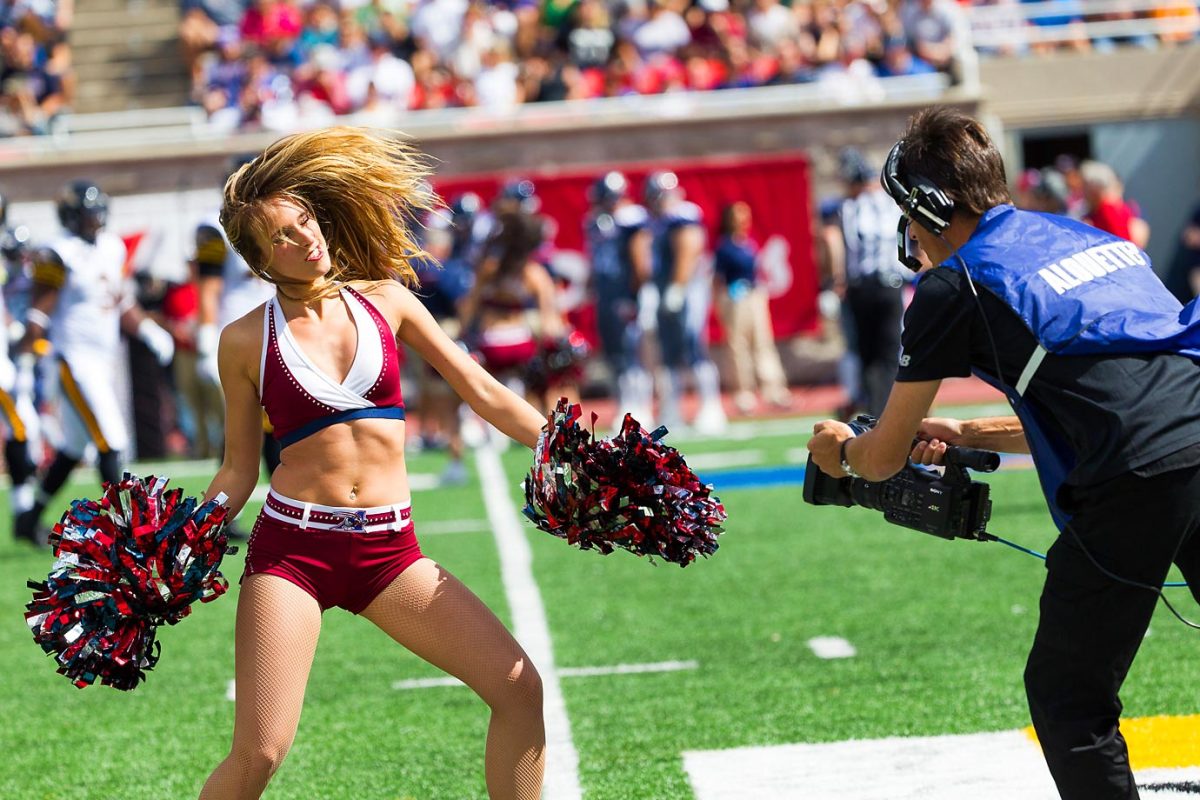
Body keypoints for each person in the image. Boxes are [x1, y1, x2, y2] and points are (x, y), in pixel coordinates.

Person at [807, 106, 1200, 800]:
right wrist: (970, 433)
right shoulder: (1079, 234)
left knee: (1067, 696)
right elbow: (1126, 396)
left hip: (1136, 474)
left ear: (929, 206)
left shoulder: (953, 284)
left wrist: (839, 451)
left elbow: (883, 458)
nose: (911, 236)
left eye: (910, 216)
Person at [197, 127, 546, 799]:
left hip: (390, 553)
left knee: (518, 688)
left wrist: (569, 449)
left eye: (305, 220)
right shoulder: (243, 340)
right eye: (282, 237)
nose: (306, 239)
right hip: (293, 552)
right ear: (260, 260)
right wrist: (180, 537)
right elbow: (238, 470)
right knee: (260, 751)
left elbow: (482, 392)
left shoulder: (386, 299)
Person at [14, 180, 176, 543]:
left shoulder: (111, 246)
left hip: (104, 360)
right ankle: (127, 528)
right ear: (71, 216)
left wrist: (147, 329)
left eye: (97, 213)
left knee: (75, 447)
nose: (95, 220)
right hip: (72, 359)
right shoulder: (58, 252)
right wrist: (24, 352)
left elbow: (119, 299)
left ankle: (29, 518)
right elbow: (39, 311)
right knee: (111, 438)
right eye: (88, 214)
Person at [820, 147, 908, 417]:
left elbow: (831, 241)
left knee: (867, 354)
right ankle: (895, 409)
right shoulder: (893, 203)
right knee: (891, 352)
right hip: (892, 284)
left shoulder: (845, 208)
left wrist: (835, 280)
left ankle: (874, 410)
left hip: (860, 287)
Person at [459, 207, 566, 411]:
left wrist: (463, 333)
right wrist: (553, 347)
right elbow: (549, 318)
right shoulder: (533, 272)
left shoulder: (488, 270)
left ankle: (489, 425)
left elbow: (470, 306)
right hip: (521, 342)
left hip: (491, 343)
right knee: (539, 387)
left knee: (489, 389)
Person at [644, 170, 727, 434]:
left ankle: (711, 407)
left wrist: (677, 287)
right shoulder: (659, 221)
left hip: (686, 290)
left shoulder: (682, 216)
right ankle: (672, 410)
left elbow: (689, 249)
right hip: (666, 289)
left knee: (693, 347)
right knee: (669, 353)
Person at [583, 171, 653, 425]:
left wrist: (635, 294)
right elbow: (595, 260)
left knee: (631, 351)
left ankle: (639, 406)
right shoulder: (596, 221)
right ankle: (624, 405)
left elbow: (640, 261)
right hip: (607, 294)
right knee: (614, 353)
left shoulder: (632, 218)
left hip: (625, 293)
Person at [712, 200, 791, 415]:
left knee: (762, 342)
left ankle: (773, 389)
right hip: (734, 299)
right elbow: (718, 279)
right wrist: (721, 302)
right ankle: (743, 393)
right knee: (738, 345)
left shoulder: (748, 243)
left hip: (754, 295)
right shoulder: (724, 247)